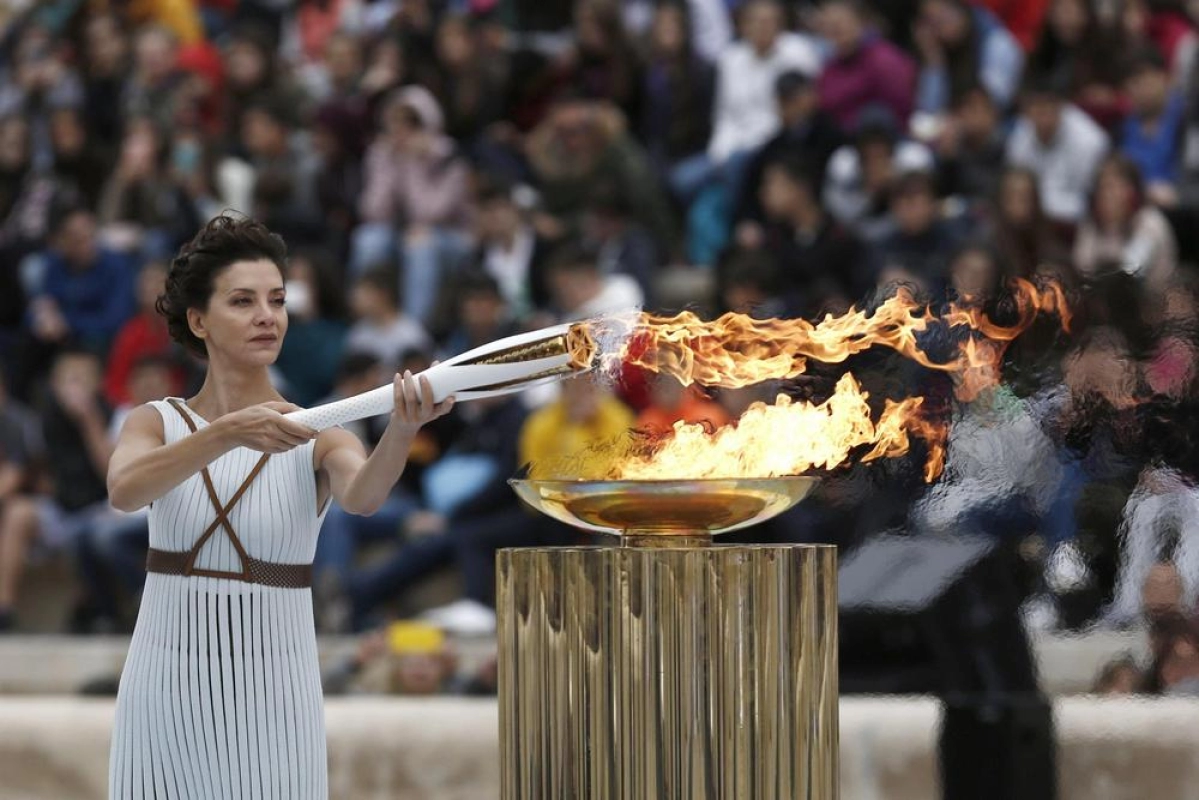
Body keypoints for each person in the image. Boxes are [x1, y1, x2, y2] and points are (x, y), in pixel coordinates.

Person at [105, 214, 454, 797]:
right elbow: (124, 491)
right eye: (242, 302)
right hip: (162, 686)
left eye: (277, 300)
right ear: (200, 321)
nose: (267, 316)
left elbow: (364, 496)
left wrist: (400, 429)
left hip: (276, 690)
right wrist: (225, 433)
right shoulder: (157, 422)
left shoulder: (318, 429)